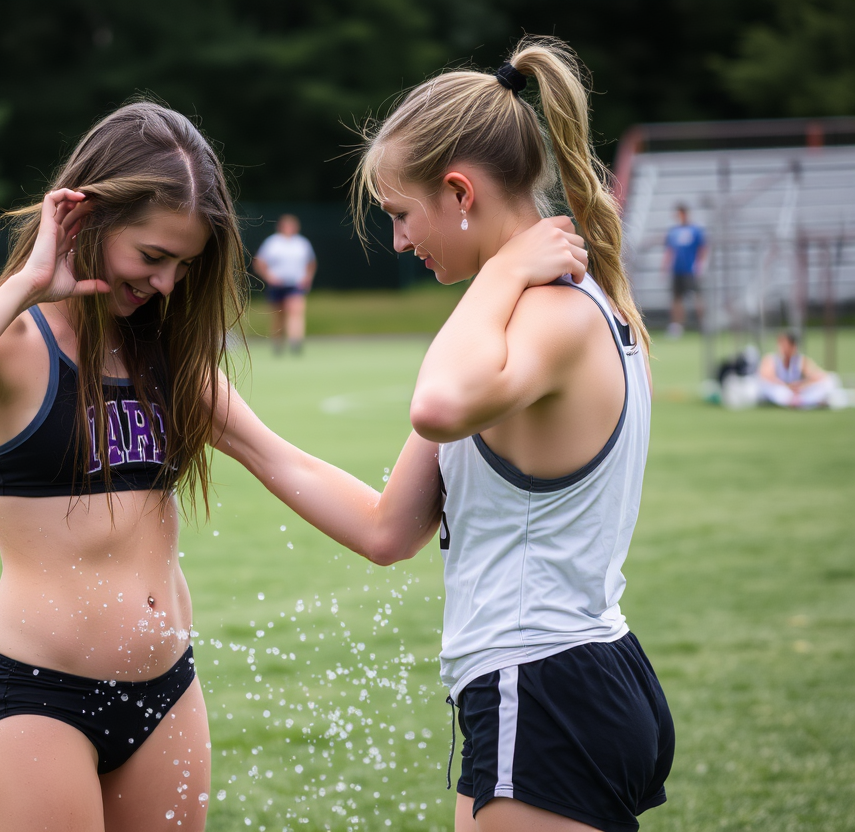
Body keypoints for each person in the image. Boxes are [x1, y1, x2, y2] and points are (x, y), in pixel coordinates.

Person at [0, 100, 579, 832]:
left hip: (166, 695)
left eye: (185, 264)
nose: (168, 283)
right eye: (152, 256)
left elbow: (330, 496)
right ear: (89, 221)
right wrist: (22, 285)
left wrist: (451, 414)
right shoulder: (11, 340)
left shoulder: (169, 360)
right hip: (42, 700)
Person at [223, 36, 673, 832]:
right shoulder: (518, 321)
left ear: (460, 191)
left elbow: (433, 406)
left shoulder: (550, 313)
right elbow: (388, 528)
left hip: (546, 689)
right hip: (550, 686)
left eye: (401, 214)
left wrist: (499, 273)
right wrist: (227, 424)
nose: (399, 240)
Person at [252, 213, 316, 354]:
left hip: (295, 284)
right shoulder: (273, 242)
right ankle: (277, 344)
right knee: (278, 315)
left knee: (295, 311)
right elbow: (259, 262)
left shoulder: (302, 243)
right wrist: (269, 277)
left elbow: (311, 262)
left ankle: (296, 343)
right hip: (277, 285)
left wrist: (307, 278)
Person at [758, 331, 836, 408]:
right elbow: (766, 376)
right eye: (780, 344)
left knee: (831, 380)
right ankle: (804, 401)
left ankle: (802, 401)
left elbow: (817, 376)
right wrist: (787, 386)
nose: (781, 347)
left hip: (796, 392)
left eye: (785, 345)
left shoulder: (801, 360)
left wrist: (801, 385)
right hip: (780, 389)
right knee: (770, 388)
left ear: (793, 346)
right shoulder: (771, 359)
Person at [662, 204, 707, 338]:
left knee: (697, 297)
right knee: (677, 299)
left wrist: (700, 265)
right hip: (677, 270)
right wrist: (665, 266)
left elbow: (702, 249)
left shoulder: (695, 230)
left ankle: (703, 324)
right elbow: (669, 251)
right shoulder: (673, 232)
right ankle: (677, 326)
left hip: (690, 270)